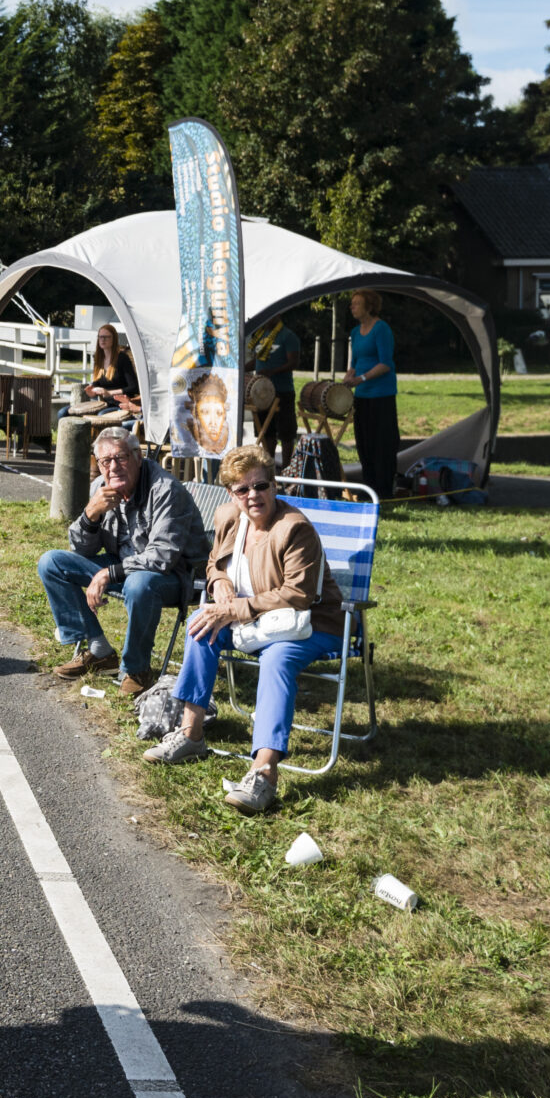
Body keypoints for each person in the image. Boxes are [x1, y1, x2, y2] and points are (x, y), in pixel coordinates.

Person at [149, 446, 347, 808]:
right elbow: (214, 563)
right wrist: (220, 583)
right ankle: (191, 734)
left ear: (274, 486)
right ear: (230, 493)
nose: (253, 495)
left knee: (277, 659)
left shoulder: (295, 528)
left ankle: (264, 773)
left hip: (311, 623)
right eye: (242, 489)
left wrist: (234, 609)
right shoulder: (228, 517)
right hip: (254, 620)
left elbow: (299, 594)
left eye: (261, 485)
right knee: (200, 624)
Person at [36, 425, 206, 695]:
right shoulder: (101, 488)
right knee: (52, 563)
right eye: (105, 461)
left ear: (138, 457)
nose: (113, 467)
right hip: (125, 566)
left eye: (121, 458)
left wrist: (108, 573)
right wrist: (91, 515)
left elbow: (162, 556)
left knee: (139, 584)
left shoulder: (166, 490)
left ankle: (137, 670)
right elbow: (81, 550)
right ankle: (99, 651)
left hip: (177, 575)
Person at [338, 290, 398, 497]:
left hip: (381, 395)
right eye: (352, 303)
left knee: (382, 443)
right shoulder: (355, 332)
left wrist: (361, 379)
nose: (352, 307)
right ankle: (369, 487)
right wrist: (348, 378)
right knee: (364, 443)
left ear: (369, 306)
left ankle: (384, 490)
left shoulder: (381, 329)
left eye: (356, 303)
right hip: (361, 396)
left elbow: (385, 364)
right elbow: (355, 363)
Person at [253, 319, 304, 466]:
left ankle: (286, 468)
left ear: (277, 315)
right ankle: (269, 467)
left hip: (282, 391)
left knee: (286, 433)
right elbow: (257, 361)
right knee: (267, 433)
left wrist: (272, 371)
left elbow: (294, 362)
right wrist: (241, 368)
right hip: (262, 393)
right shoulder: (261, 335)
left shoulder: (288, 336)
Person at [68, 323, 140, 424]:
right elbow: (97, 383)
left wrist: (109, 393)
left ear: (114, 339)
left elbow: (134, 387)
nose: (102, 340)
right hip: (104, 403)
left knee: (101, 415)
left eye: (106, 337)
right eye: (100, 337)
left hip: (120, 404)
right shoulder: (99, 358)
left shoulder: (122, 358)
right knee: (64, 412)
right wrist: (92, 390)